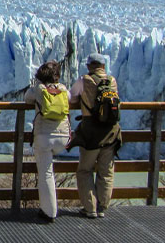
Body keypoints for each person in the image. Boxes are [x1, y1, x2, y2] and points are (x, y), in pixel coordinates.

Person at [68, 53, 122, 219]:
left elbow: (71, 98)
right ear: (103, 66)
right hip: (112, 132)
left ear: (90, 65)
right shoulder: (112, 81)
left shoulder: (84, 80)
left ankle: (90, 207)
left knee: (85, 170)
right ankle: (102, 207)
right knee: (106, 171)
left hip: (91, 132)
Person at [24, 61, 70, 223]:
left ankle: (49, 212)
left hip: (44, 137)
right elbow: (70, 99)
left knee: (46, 174)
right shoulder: (63, 89)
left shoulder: (38, 89)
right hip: (63, 138)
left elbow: (26, 98)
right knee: (51, 171)